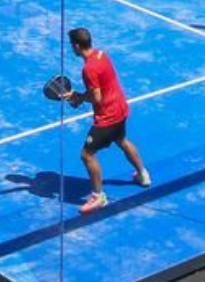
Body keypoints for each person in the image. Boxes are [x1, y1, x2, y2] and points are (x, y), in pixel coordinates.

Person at [61, 27, 150, 215]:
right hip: (121, 109)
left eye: (71, 45)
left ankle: (98, 196)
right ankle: (143, 174)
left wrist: (78, 97)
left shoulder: (88, 69)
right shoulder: (101, 55)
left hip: (108, 118)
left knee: (87, 155)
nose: (71, 48)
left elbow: (97, 97)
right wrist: (79, 96)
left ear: (77, 46)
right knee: (122, 140)